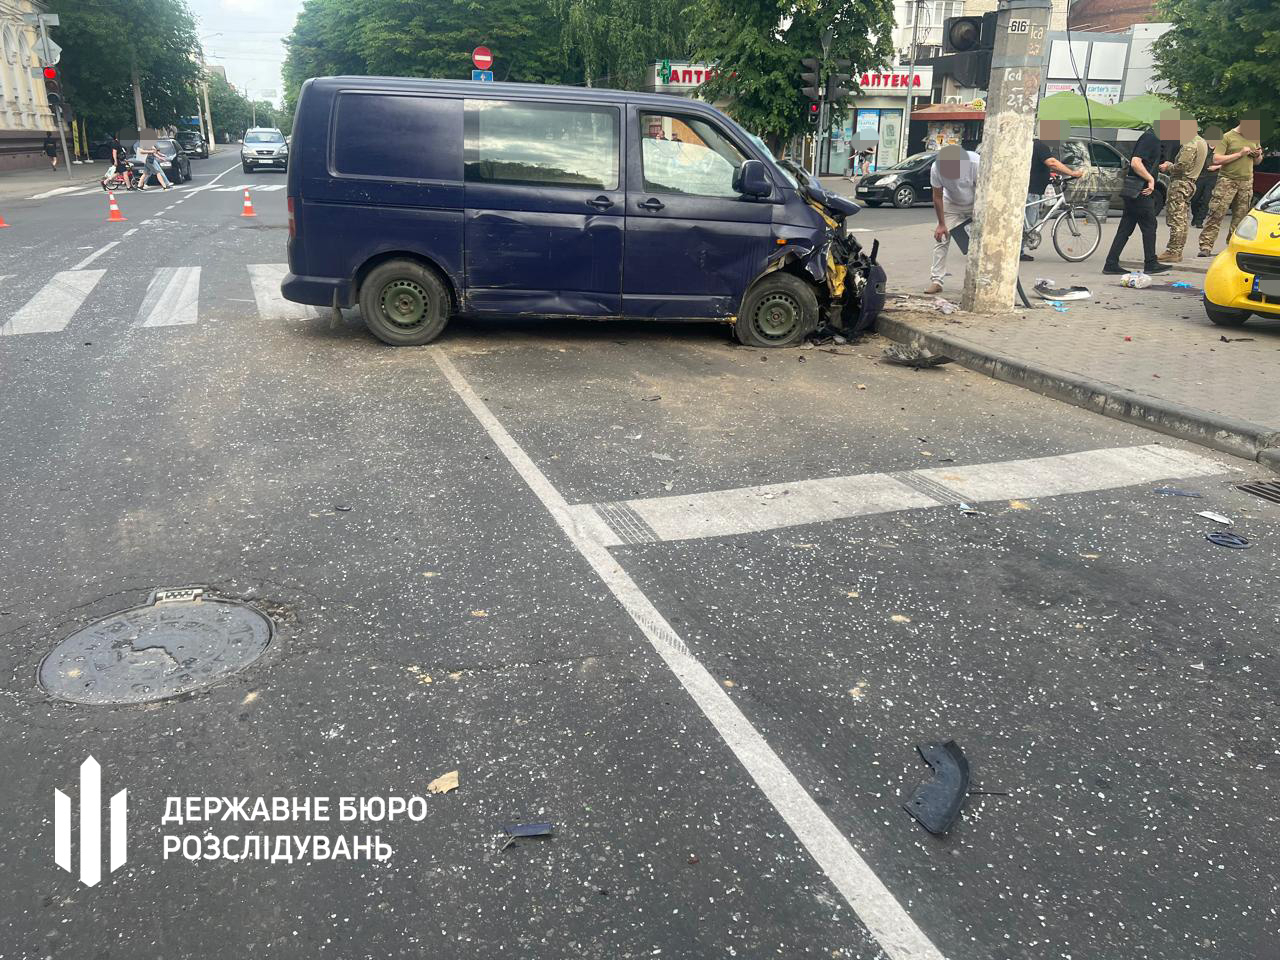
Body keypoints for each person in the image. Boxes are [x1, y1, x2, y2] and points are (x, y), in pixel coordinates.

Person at [1101, 123, 1171, 275]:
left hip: (1134, 190)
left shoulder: (1154, 138)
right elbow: (1135, 162)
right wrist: (1150, 179)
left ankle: (1111, 263)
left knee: (1125, 228)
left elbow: (1149, 162)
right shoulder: (1150, 138)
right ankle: (1151, 263)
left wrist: (1163, 163)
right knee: (1149, 225)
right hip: (1141, 190)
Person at [1197, 113, 1263, 256]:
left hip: (1246, 181)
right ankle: (1206, 246)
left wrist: (1257, 155)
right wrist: (1239, 154)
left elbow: (1257, 161)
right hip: (1227, 180)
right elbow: (1216, 159)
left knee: (1240, 217)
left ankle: (1233, 245)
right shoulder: (1227, 137)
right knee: (1216, 213)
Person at [1023, 123, 1084, 261]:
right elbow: (1052, 163)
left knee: (1027, 223)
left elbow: (1040, 165)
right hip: (1031, 190)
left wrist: (1050, 174)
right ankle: (1018, 251)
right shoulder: (1041, 146)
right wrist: (1072, 172)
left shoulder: (1035, 145)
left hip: (1031, 188)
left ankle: (1018, 250)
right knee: (1029, 224)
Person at [925, 144, 980, 294]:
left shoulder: (975, 163)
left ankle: (978, 281)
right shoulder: (936, 168)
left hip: (976, 202)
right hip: (951, 203)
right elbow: (937, 196)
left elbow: (984, 191)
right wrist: (941, 224)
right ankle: (937, 281)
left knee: (978, 243)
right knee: (941, 239)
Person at [1157, 110, 1207, 262]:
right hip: (1191, 183)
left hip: (1181, 182)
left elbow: (1183, 165)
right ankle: (1177, 250)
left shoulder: (1190, 143)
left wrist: (1168, 166)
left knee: (1176, 218)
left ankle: (1173, 251)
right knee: (1183, 218)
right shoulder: (1201, 141)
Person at [1190, 133, 1219, 228]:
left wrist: (1216, 167)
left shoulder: (1220, 149)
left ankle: (1199, 221)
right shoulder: (1204, 147)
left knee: (1206, 199)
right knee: (1195, 198)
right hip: (1200, 175)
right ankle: (1195, 216)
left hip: (1213, 176)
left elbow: (1226, 162)